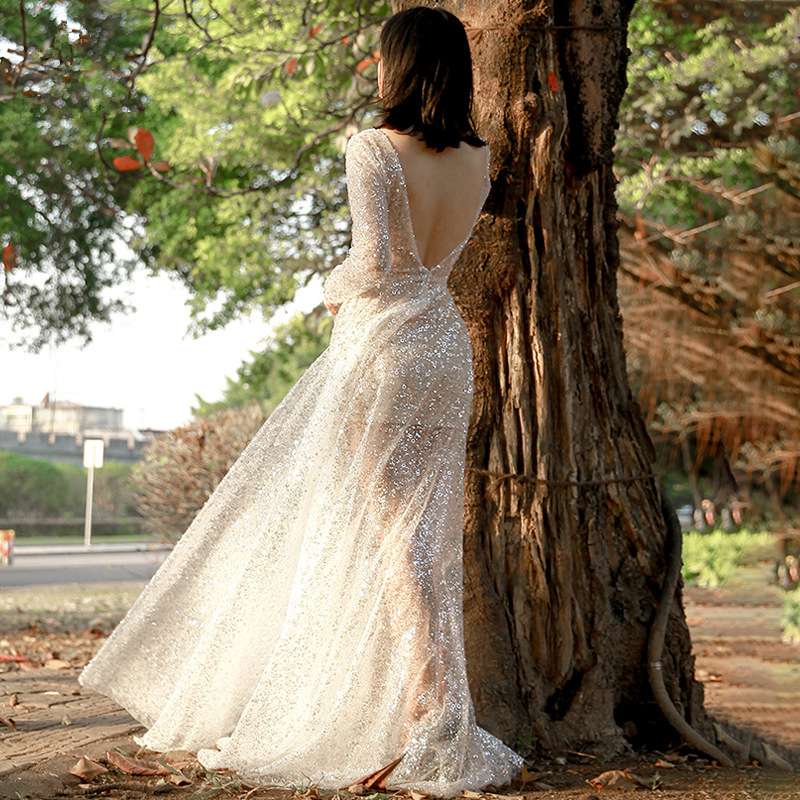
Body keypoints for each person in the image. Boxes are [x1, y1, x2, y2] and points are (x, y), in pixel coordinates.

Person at [79, 6, 523, 794]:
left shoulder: (371, 150)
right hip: (444, 352)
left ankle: (428, 714)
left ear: (399, 66)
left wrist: (325, 290)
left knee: (393, 543)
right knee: (421, 537)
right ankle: (436, 708)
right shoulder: (480, 159)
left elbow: (376, 269)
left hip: (384, 350)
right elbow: (427, 263)